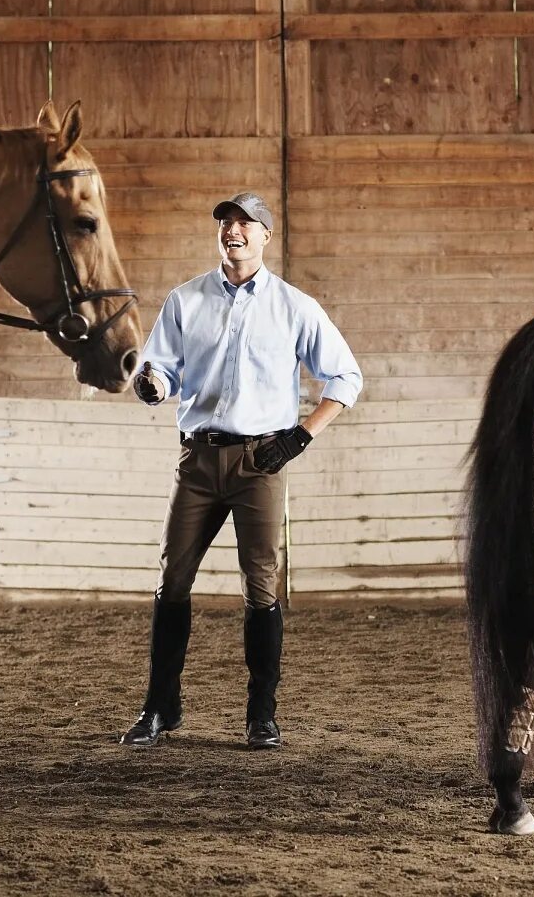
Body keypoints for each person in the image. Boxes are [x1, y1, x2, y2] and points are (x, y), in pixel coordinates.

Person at [120, 191, 362, 749]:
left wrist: (301, 436)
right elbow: (160, 370)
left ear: (265, 236)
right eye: (227, 222)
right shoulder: (185, 301)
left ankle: (261, 715)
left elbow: (345, 378)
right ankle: (161, 708)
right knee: (172, 580)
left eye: (245, 223)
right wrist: (153, 384)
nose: (234, 230)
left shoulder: (294, 307)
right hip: (198, 460)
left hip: (261, 462)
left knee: (261, 586)